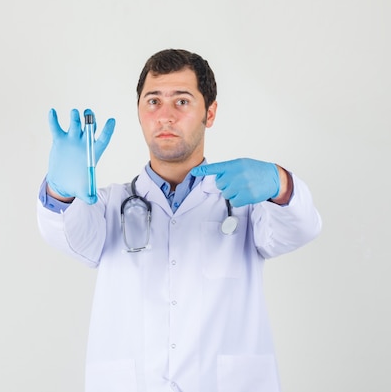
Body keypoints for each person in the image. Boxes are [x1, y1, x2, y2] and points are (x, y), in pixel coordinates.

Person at [37, 49, 322, 392]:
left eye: (182, 102)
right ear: (140, 112)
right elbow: (69, 235)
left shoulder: (246, 204)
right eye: (153, 101)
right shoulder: (108, 206)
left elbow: (301, 228)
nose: (165, 116)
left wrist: (281, 182)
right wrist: (61, 191)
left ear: (210, 113)